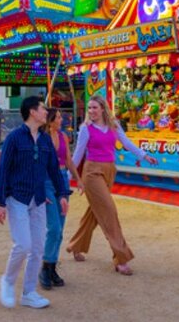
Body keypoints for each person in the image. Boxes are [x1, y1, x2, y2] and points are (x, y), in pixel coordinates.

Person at [65, 95, 157, 276]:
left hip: (109, 171)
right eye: (89, 108)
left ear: (103, 109)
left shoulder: (114, 125)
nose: (91, 111)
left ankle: (76, 245)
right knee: (109, 212)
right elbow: (77, 155)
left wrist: (144, 156)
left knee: (95, 213)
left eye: (94, 108)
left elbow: (126, 143)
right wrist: (67, 177)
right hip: (92, 173)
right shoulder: (85, 129)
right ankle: (121, 258)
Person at [0, 96, 70, 310]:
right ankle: (7, 282)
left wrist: (62, 194)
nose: (47, 112)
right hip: (17, 198)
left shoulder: (45, 140)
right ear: (32, 112)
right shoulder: (14, 138)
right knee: (23, 245)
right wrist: (0, 202)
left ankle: (29, 292)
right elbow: (3, 170)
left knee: (37, 248)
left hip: (39, 199)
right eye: (43, 109)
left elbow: (54, 170)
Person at [39, 107, 83, 290]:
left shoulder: (64, 136)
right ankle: (45, 266)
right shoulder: (42, 138)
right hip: (47, 181)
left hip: (62, 180)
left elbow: (69, 160)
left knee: (61, 227)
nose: (60, 120)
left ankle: (52, 266)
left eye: (60, 117)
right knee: (54, 227)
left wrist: (78, 179)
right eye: (57, 117)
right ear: (49, 120)